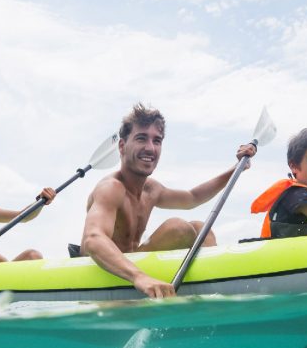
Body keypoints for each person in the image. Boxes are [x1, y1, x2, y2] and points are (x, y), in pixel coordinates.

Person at [80, 104, 258, 298]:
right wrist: (139, 277)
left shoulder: (151, 189)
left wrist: (236, 168)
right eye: (141, 138)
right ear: (122, 146)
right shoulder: (111, 188)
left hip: (135, 264)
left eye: (157, 141)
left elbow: (192, 198)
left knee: (200, 227)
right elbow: (93, 239)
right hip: (100, 275)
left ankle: (213, 290)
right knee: (178, 228)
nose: (150, 148)